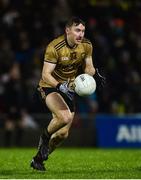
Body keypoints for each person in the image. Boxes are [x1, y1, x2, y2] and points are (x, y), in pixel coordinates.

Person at [30, 17, 105, 171]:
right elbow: (45, 75)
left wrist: (94, 75)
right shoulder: (55, 47)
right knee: (64, 117)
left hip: (70, 89)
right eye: (77, 30)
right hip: (50, 87)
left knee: (62, 135)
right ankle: (44, 138)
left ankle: (38, 160)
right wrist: (59, 86)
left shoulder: (86, 45)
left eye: (83, 31)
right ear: (67, 30)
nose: (81, 34)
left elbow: (88, 68)